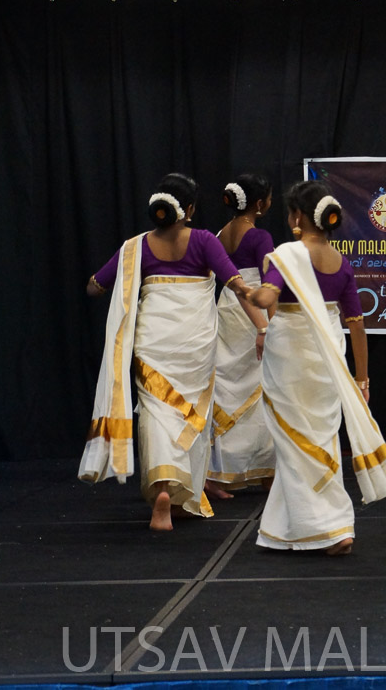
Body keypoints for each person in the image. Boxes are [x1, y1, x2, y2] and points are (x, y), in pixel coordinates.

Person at [79, 173, 267, 531]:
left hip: (154, 343)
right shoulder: (204, 240)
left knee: (156, 413)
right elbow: (237, 286)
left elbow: (95, 287)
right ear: (190, 209)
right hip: (195, 345)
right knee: (191, 414)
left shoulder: (135, 247)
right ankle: (180, 494)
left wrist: (99, 281)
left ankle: (163, 491)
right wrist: (262, 325)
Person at [249, 180, 386, 555]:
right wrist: (362, 378)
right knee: (320, 438)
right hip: (328, 359)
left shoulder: (287, 255)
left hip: (289, 356)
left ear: (298, 216)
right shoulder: (341, 263)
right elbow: (357, 325)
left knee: (293, 443)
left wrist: (251, 292)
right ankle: (285, 528)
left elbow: (267, 297)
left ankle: (329, 528)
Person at [205, 173, 277, 499]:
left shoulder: (220, 234)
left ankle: (219, 473)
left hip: (226, 310)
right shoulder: (260, 236)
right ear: (260, 203)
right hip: (253, 311)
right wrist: (269, 326)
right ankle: (266, 472)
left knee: (228, 391)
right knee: (263, 390)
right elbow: (269, 283)